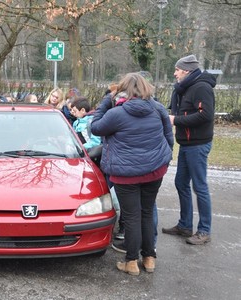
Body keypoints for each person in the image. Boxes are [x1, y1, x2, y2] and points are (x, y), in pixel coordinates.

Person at [91, 72, 174, 276]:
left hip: (125, 174)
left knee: (132, 216)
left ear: (123, 90)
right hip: (154, 171)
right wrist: (163, 159)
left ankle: (131, 262)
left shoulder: (116, 113)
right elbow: (168, 138)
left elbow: (95, 127)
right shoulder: (158, 108)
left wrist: (105, 102)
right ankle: (149, 258)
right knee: (146, 212)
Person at [162, 54, 216, 245]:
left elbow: (206, 115)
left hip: (198, 144)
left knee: (199, 187)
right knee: (180, 183)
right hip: (186, 143)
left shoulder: (201, 87)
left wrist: (175, 120)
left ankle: (204, 230)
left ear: (186, 70)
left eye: (177, 70)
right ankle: (185, 226)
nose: (175, 73)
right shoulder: (185, 88)